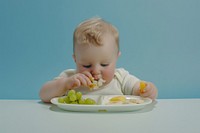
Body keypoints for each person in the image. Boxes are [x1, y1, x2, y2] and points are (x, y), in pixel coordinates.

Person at [39, 17, 158, 103]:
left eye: (104, 64)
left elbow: (139, 89)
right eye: (86, 65)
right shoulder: (71, 79)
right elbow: (43, 94)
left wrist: (148, 90)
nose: (95, 71)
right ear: (75, 60)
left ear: (116, 58)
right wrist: (65, 84)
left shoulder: (121, 78)